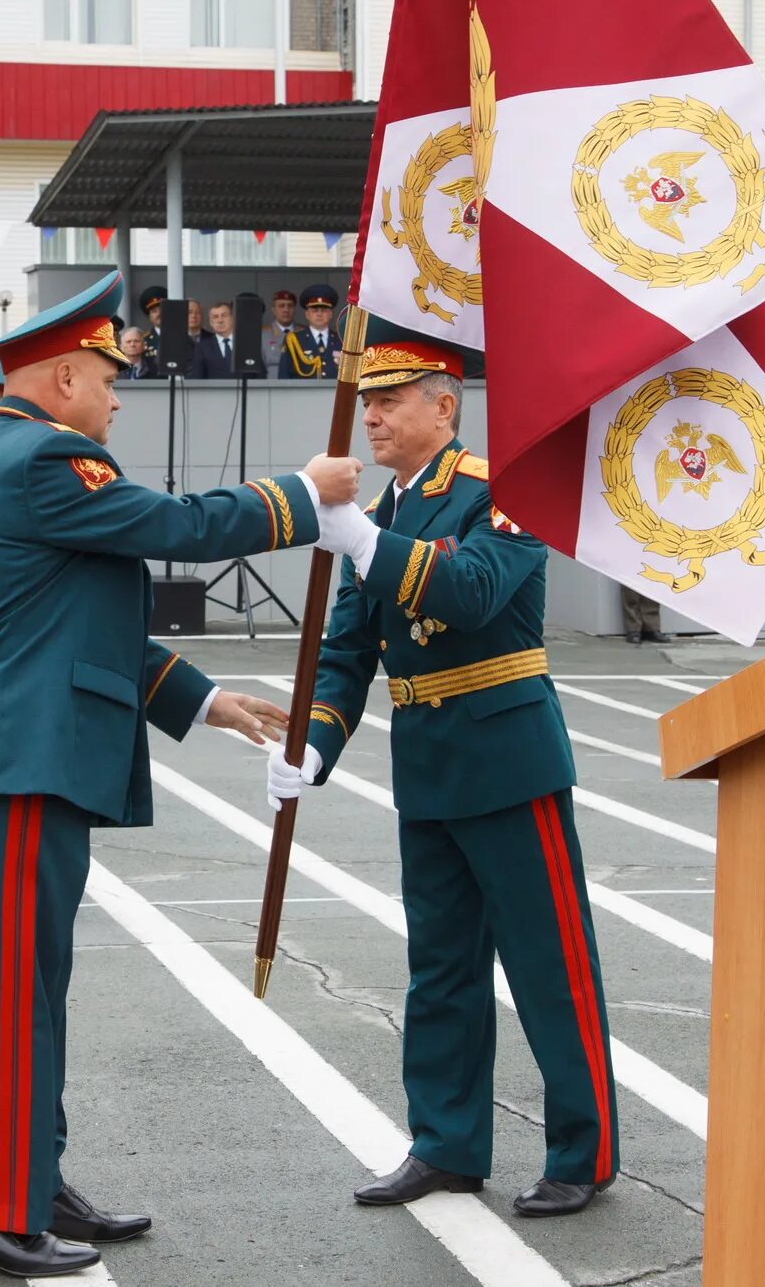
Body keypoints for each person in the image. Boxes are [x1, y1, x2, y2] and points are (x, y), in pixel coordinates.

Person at [0, 269, 355, 1278]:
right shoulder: (43, 457)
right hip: (21, 760)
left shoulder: (8, 456)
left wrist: (203, 700)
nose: (119, 399)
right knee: (15, 992)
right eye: (111, 379)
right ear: (66, 375)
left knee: (30, 987)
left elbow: (80, 618)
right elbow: (173, 529)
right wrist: (300, 496)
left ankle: (29, 1178)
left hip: (13, 753)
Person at [269, 318, 617, 1221]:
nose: (372, 419)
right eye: (369, 402)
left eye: (388, 400)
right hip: (427, 765)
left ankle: (585, 1152)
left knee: (550, 964)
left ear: (444, 403)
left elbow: (467, 593)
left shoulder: (500, 491)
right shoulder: (381, 514)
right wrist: (314, 740)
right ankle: (447, 1143)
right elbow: (347, 649)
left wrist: (361, 542)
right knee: (442, 969)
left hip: (507, 759)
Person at [282, 284, 339, 379]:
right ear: (307, 314)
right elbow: (284, 374)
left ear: (330, 314)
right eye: (315, 310)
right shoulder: (294, 340)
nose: (319, 314)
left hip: (335, 392)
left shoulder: (341, 340)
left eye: (324, 310)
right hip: (301, 393)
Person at [191, 300, 239, 378]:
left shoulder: (245, 344)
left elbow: (260, 375)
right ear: (211, 322)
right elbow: (196, 378)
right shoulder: (201, 347)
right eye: (215, 317)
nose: (220, 320)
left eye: (224, 315)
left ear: (232, 318)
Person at [262, 288, 298, 376]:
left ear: (295, 309)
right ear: (273, 310)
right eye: (281, 306)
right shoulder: (262, 334)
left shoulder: (304, 332)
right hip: (271, 386)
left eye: (290, 306)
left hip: (300, 385)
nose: (286, 310)